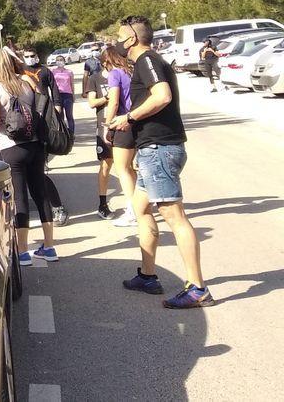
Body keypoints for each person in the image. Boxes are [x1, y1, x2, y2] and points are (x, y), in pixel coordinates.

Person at [109, 16, 212, 309]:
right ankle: (148, 275)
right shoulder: (149, 61)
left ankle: (197, 288)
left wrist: (129, 117)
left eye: (120, 36)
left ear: (131, 39)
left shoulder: (147, 60)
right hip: (152, 149)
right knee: (141, 209)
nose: (117, 41)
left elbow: (162, 95)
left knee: (174, 216)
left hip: (160, 149)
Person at [0, 49, 57, 266]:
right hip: (35, 145)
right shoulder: (25, 82)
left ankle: (23, 251)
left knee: (19, 197)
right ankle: (50, 247)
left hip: (12, 147)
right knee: (40, 194)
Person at [19, 48, 67, 225]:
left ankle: (57, 207)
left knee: (38, 173)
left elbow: (55, 92)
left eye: (33, 55)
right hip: (22, 123)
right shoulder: (18, 71)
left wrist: (57, 113)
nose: (30, 59)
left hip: (42, 121)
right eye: (27, 56)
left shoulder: (45, 71)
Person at [101, 47, 140, 228]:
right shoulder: (131, 71)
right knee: (131, 168)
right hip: (137, 120)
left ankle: (133, 210)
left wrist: (108, 125)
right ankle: (138, 205)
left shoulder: (114, 74)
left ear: (108, 61)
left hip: (123, 122)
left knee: (122, 169)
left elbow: (114, 101)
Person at [81, 59, 115, 219]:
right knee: (106, 165)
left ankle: (133, 204)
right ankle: (102, 204)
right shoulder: (95, 79)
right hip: (104, 126)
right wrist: (108, 97)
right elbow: (92, 102)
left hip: (123, 125)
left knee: (129, 166)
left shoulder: (124, 75)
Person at [50, 57, 76, 136]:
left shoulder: (69, 72)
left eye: (61, 60)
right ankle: (63, 133)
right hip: (57, 95)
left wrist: (73, 95)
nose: (59, 62)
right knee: (60, 116)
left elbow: (72, 84)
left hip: (67, 95)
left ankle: (71, 134)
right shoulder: (53, 71)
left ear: (64, 61)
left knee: (69, 115)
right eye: (57, 60)